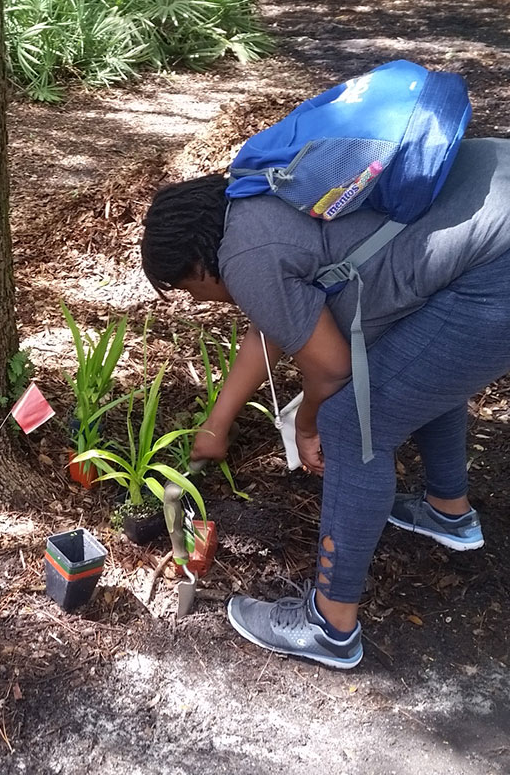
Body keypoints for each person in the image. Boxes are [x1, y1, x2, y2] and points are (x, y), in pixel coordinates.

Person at [140, 137, 510, 669]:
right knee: (411, 365)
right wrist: (217, 426)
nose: (200, 301)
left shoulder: (243, 257)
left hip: (495, 268)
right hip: (489, 196)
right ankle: (447, 513)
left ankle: (330, 626)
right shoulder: (253, 197)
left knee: (351, 422)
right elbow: (270, 325)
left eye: (189, 291)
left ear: (200, 267)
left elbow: (333, 368)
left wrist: (309, 423)